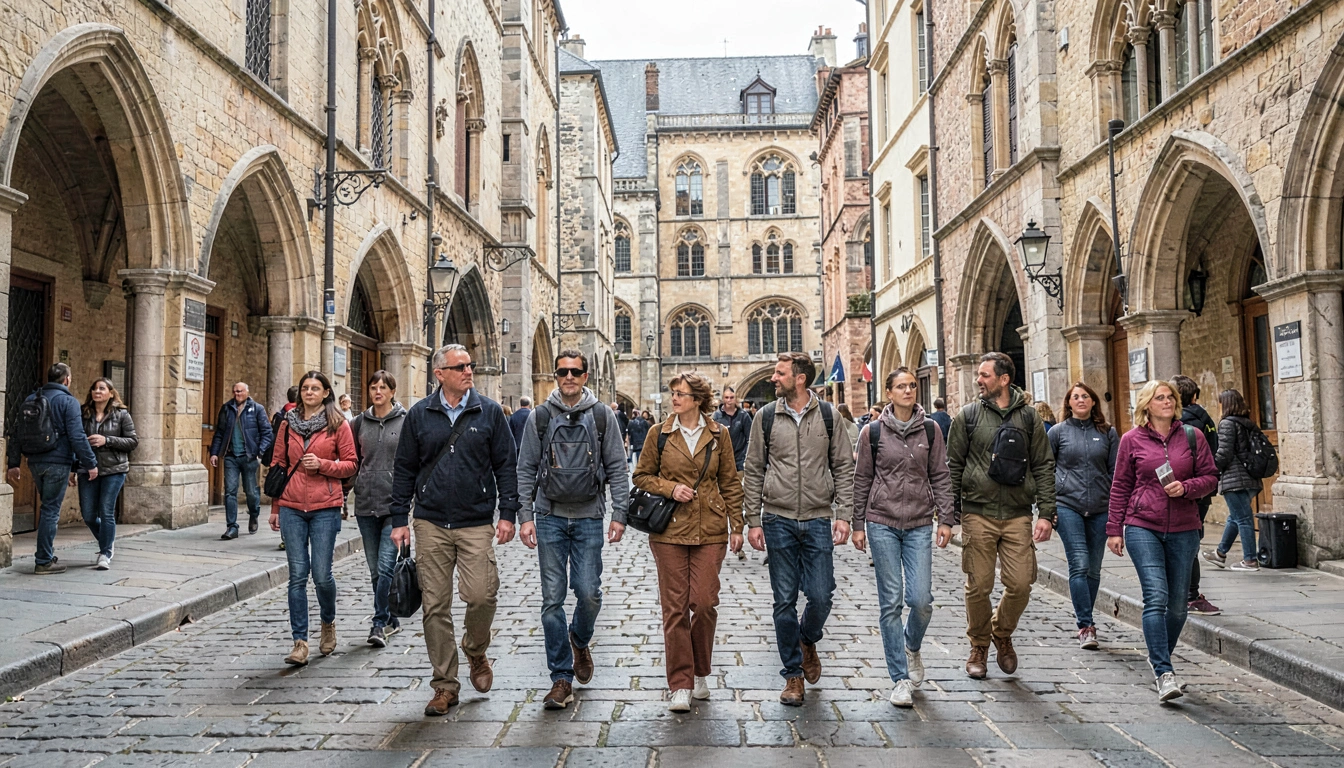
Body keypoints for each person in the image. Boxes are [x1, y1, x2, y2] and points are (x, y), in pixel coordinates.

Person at [390, 344, 519, 716]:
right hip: (430, 521)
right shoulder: (419, 415)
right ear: (439, 374)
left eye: (470, 365)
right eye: (460, 366)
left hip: (476, 520)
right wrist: (400, 519)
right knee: (435, 606)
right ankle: (445, 685)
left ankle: (476, 650)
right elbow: (404, 469)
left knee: (481, 595)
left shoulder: (489, 412)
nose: (468, 371)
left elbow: (506, 466)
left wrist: (507, 512)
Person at [516, 351, 630, 710]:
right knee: (552, 600)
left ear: (585, 375)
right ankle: (560, 677)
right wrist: (524, 516)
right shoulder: (539, 416)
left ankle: (579, 639)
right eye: (563, 371)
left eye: (575, 371)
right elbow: (525, 468)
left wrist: (620, 513)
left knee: (588, 592)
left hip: (588, 517)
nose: (568, 376)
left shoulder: (601, 415)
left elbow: (617, 465)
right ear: (556, 375)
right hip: (549, 515)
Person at [741, 352, 856, 707]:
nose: (774, 378)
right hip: (778, 519)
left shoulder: (828, 416)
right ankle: (792, 674)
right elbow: (754, 468)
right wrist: (753, 520)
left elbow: (843, 467)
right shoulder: (764, 417)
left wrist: (845, 515)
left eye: (780, 373)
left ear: (800, 378)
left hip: (819, 518)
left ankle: (808, 639)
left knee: (821, 595)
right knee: (783, 601)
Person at [634, 372, 745, 712]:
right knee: (675, 608)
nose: (675, 399)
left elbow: (729, 481)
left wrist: (737, 524)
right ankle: (680, 682)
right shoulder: (659, 434)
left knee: (705, 601)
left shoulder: (719, 434)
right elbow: (641, 476)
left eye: (681, 394)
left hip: (710, 528)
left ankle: (700, 669)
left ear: (698, 399)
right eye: (673, 393)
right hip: (669, 530)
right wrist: (670, 488)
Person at [1107, 380, 1218, 702]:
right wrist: (1114, 529)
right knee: (1156, 595)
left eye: (1170, 397)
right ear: (1146, 405)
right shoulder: (1131, 440)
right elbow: (1120, 485)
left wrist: (1188, 487)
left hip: (1184, 527)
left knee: (1178, 607)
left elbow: (1211, 477)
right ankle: (1163, 671)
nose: (1167, 401)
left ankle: (1159, 656)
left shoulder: (1192, 437)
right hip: (1143, 525)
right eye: (1160, 398)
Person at [947, 352, 1056, 679]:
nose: (978, 380)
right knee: (979, 585)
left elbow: (1043, 465)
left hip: (1018, 513)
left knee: (1021, 583)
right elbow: (952, 466)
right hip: (977, 512)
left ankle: (1001, 631)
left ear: (1004, 379)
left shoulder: (1030, 418)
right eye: (978, 375)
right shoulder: (966, 416)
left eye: (984, 375)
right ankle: (978, 645)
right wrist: (949, 514)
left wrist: (1046, 513)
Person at [851, 368, 954, 708]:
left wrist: (946, 519)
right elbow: (862, 479)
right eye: (901, 386)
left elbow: (940, 474)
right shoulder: (873, 432)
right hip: (882, 521)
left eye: (912, 385)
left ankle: (912, 646)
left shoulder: (931, 429)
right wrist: (858, 524)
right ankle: (899, 678)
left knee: (921, 599)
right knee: (891, 601)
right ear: (889, 393)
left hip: (921, 523)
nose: (909, 390)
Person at [269, 371, 358, 666]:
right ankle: (300, 642)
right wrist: (275, 508)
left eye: (315, 388)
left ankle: (328, 622)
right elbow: (278, 465)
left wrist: (322, 465)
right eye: (305, 388)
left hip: (325, 507)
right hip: (292, 505)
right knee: (297, 576)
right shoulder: (286, 423)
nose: (309, 392)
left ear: (325, 393)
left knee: (321, 575)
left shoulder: (338, 424)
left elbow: (350, 464)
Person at [6, 363, 98, 575]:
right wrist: (90, 462)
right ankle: (44, 560)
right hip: (57, 462)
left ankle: (46, 554)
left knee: (47, 507)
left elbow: (17, 432)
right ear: (67, 379)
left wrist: (13, 464)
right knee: (50, 510)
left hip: (35, 462)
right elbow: (77, 436)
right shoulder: (68, 401)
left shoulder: (31, 399)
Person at [1049, 382, 1119, 650]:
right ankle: (1085, 625)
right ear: (1068, 403)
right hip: (1068, 505)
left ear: (1093, 402)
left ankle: (1085, 619)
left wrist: (1116, 509)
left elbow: (1116, 472)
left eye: (1085, 396)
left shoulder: (1108, 433)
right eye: (1075, 397)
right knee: (1078, 564)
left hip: (1101, 507)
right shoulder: (1057, 433)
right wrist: (1047, 508)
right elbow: (1045, 470)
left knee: (1093, 568)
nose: (1080, 400)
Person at [349, 370, 406, 648]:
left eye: (383, 387)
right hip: (365, 504)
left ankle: (378, 622)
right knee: (374, 570)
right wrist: (344, 494)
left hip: (395, 506)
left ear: (393, 391)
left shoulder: (406, 422)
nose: (378, 391)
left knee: (386, 567)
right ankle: (391, 616)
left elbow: (412, 465)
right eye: (374, 387)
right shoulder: (359, 422)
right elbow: (352, 461)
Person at [1171, 375, 1221, 616]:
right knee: (1191, 540)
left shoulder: (1181, 423)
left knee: (1185, 543)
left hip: (1180, 490)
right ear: (1194, 396)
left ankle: (1186, 593)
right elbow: (1215, 451)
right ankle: (1189, 592)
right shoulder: (1206, 419)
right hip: (1201, 491)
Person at [78, 378, 138, 570]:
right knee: (88, 515)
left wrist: (107, 440)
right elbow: (76, 440)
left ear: (111, 393)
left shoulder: (121, 415)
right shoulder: (84, 413)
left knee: (106, 511)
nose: (97, 391)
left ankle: (105, 553)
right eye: (94, 388)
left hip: (114, 469)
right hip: (88, 469)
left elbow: (132, 441)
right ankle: (108, 540)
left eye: (102, 389)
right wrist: (75, 467)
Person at [1203, 389, 1264, 572]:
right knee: (1235, 517)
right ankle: (1220, 553)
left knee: (1243, 518)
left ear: (1226, 404)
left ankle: (1250, 561)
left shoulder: (1227, 424)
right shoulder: (1248, 423)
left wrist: (1210, 468)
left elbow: (1224, 454)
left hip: (1235, 480)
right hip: (1251, 478)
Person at [209, 382, 274, 539]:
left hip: (249, 456)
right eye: (235, 391)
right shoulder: (226, 408)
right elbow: (220, 432)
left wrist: (259, 452)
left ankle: (254, 513)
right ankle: (232, 526)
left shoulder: (257, 409)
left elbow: (267, 432)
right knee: (230, 491)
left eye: (240, 391)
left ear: (247, 392)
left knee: (250, 491)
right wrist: (214, 452)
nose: (237, 394)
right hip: (231, 456)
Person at [712, 386, 752, 472]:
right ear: (723, 399)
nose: (729, 400)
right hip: (722, 461)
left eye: (731, 397)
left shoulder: (743, 416)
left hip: (739, 461)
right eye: (726, 397)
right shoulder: (716, 417)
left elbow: (751, 437)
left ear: (735, 398)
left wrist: (746, 456)